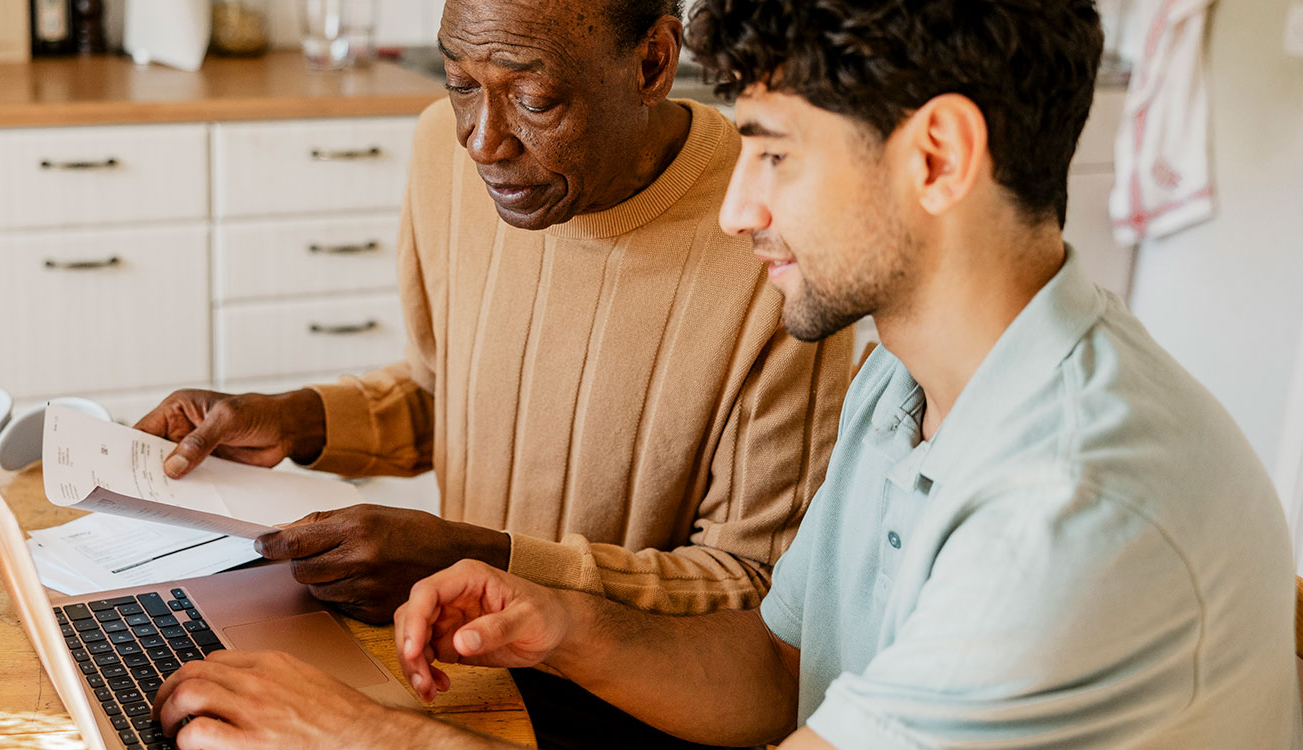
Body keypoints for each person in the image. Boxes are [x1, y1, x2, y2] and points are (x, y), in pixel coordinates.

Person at [145, 0, 1303, 747]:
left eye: (774, 153)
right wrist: (561, 627)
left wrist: (371, 739)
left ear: (938, 159)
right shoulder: (908, 385)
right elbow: (772, 667)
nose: (738, 205)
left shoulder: (1068, 519)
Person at [136, 0, 849, 625]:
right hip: (447, 647)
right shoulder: (440, 159)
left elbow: (755, 591)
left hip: (619, 710)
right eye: (459, 86)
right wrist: (297, 420)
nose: (481, 141)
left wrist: (486, 564)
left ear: (652, 64)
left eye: (533, 99)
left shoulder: (777, 244)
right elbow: (452, 393)